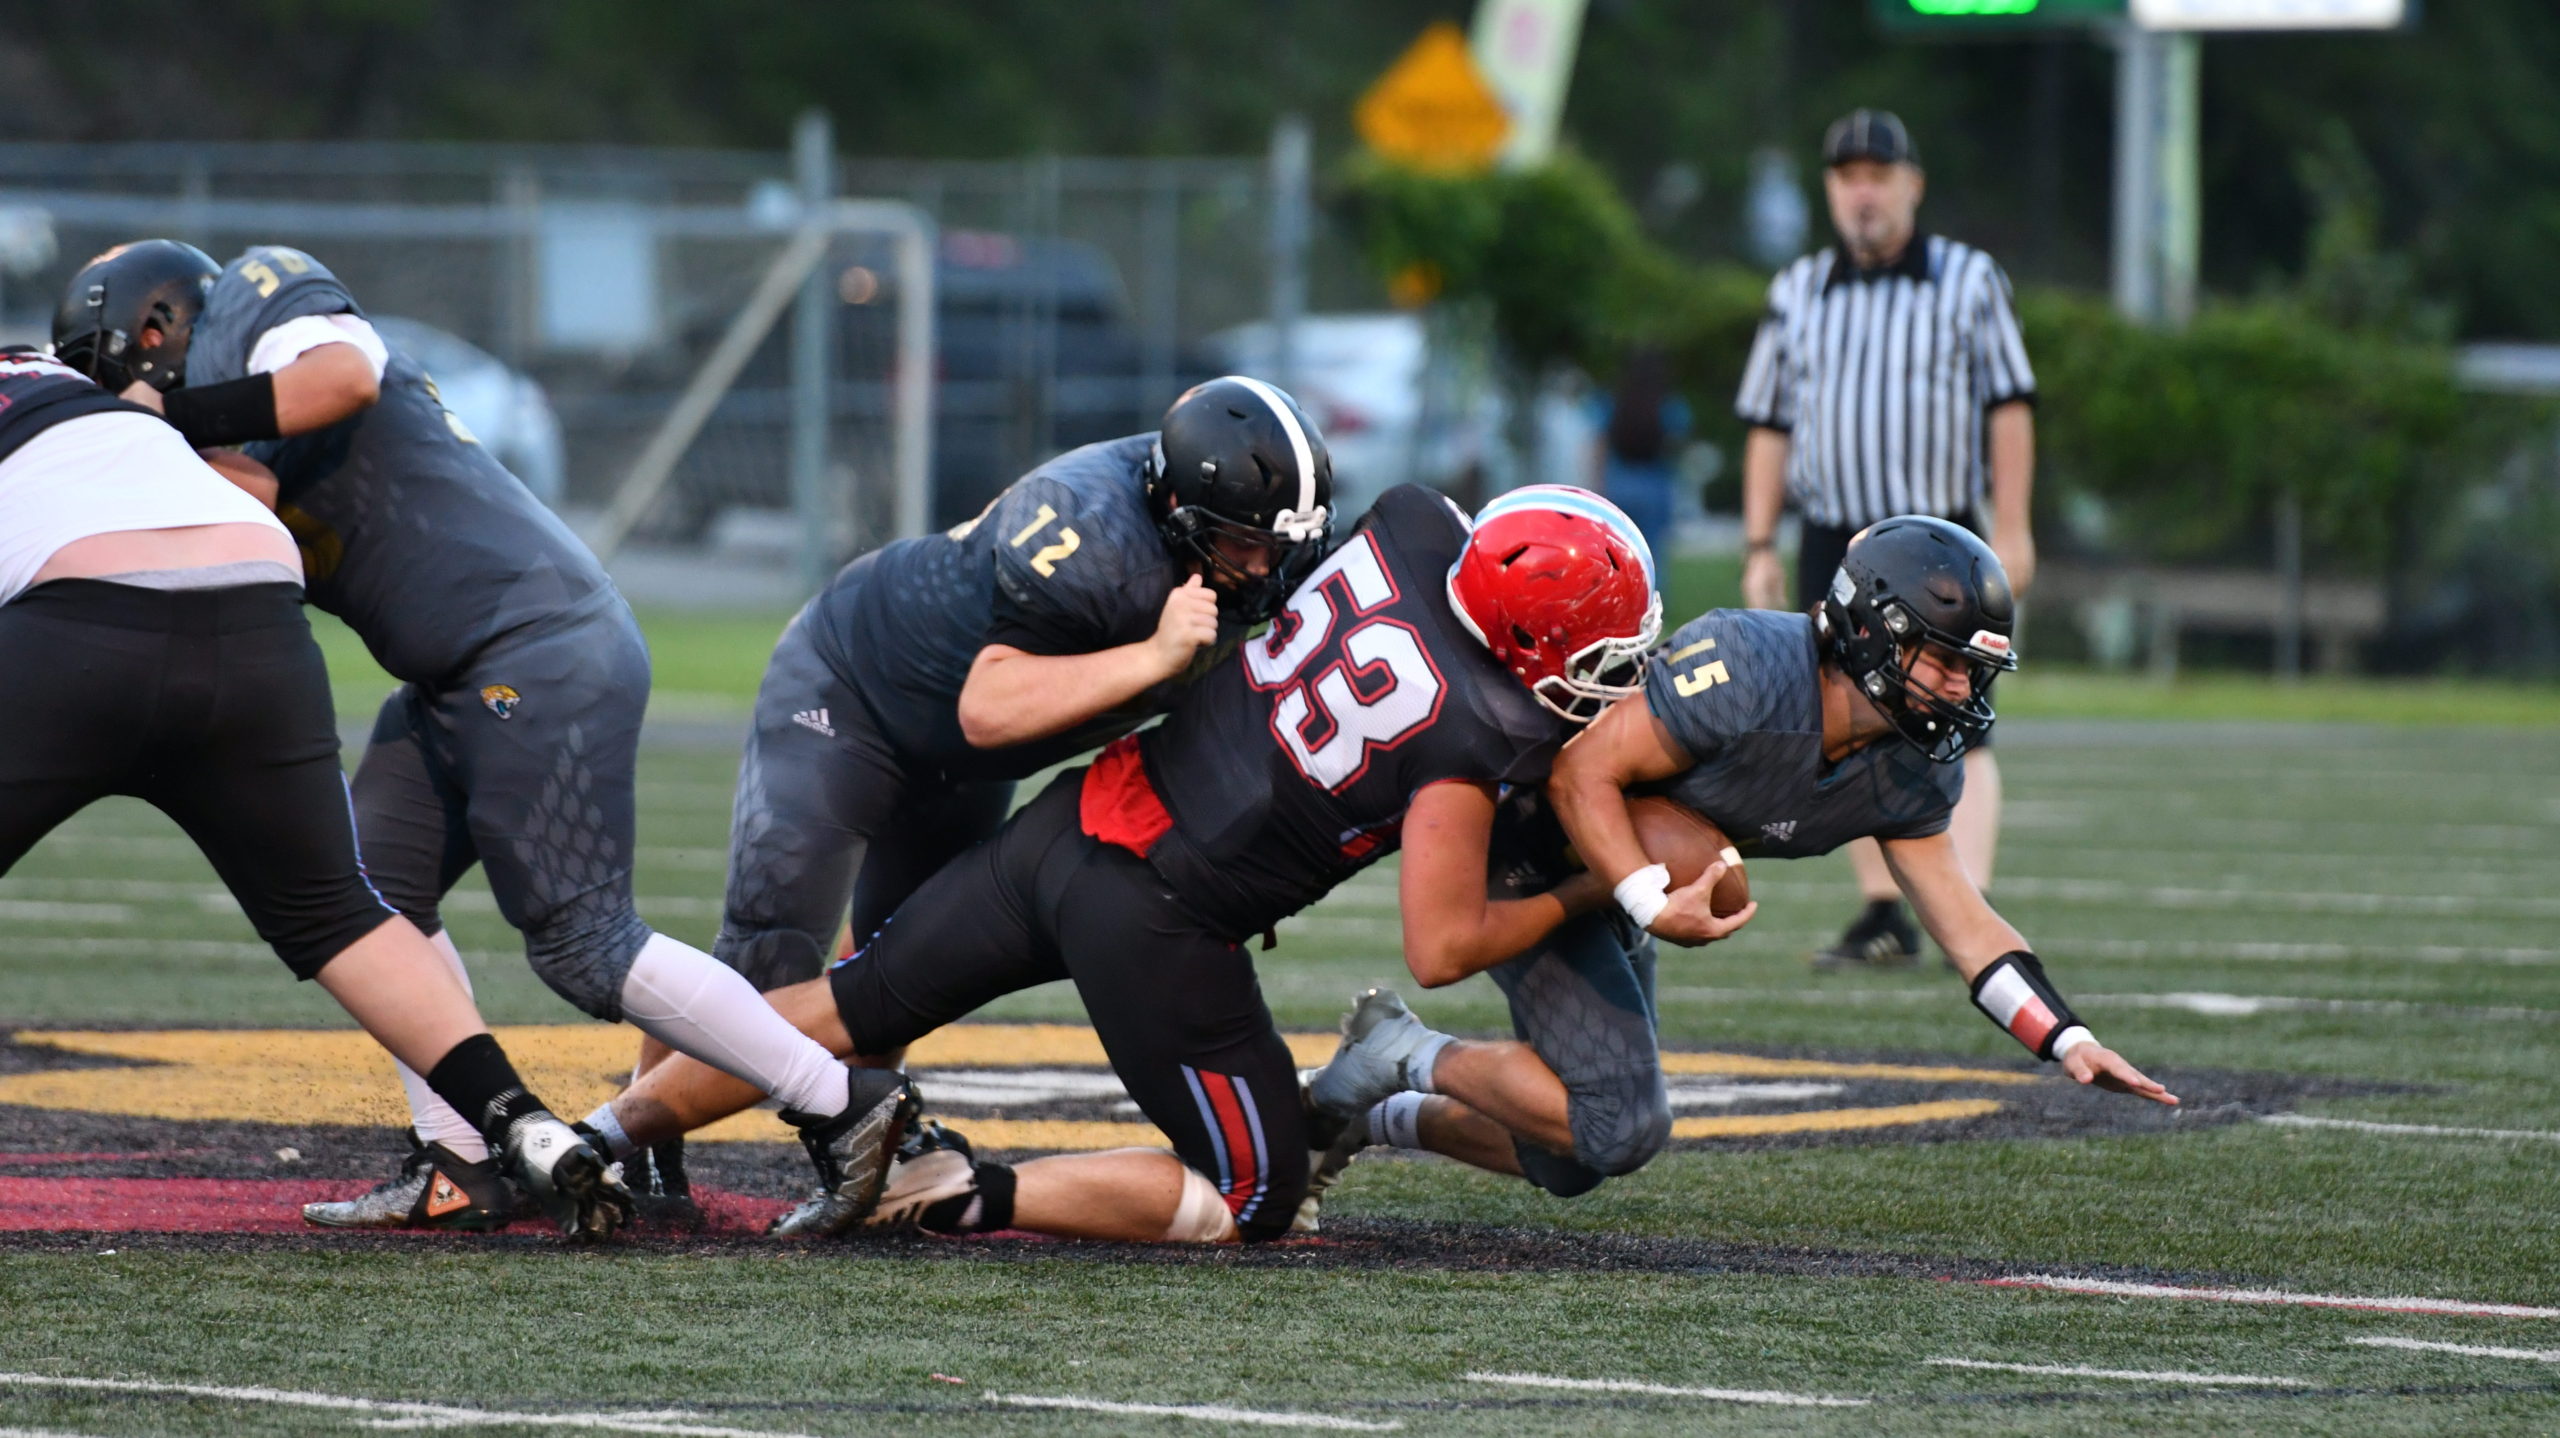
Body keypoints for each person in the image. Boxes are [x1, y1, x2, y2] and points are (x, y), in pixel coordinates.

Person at [54, 240, 904, 1233]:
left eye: (109, 370)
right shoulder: (214, 443)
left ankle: (844, 1104)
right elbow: (247, 511)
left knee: (584, 943)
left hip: (530, 645)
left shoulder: (256, 297)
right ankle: (458, 1159)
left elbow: (343, 376)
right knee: (365, 897)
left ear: (154, 333)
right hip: (455, 673)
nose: (113, 395)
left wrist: (175, 419)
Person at [577, 483, 1662, 1243]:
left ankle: (589, 1133)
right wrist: (1593, 882)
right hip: (1159, 918)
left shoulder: (1416, 522)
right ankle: (960, 1191)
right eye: (1597, 655)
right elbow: (1441, 944)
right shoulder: (1476, 739)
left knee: (842, 1001)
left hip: (1076, 817)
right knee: (1253, 1190)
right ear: (1529, 644)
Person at [602, 375, 1336, 1208]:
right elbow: (988, 708)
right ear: (1174, 504)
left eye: (1283, 543)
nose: (1265, 566)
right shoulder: (1086, 525)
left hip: (967, 763)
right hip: (855, 691)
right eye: (1242, 543)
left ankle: (862, 1133)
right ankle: (626, 1129)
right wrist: (1153, 658)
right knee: (773, 947)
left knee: (891, 977)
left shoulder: (1246, 551)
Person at [1305, 519, 2174, 1213]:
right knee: (1620, 1126)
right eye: (1944, 662)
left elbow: (1963, 918)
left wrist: (2067, 1037)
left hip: (1621, 874)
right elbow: (1581, 773)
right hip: (1539, 844)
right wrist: (1646, 900)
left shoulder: (1909, 765)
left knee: (1569, 1159)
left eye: (1972, 670)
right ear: (1873, 635)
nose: (1959, 691)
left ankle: (1374, 1115)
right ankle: (1398, 1048)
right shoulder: (1752, 669)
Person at [0, 344, 627, 1239]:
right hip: (257, 607)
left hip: (82, 621)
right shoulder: (61, 387)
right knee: (341, 914)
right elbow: (243, 490)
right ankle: (517, 1120)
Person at [1733, 108, 2039, 970]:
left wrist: (2011, 525)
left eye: (1878, 175)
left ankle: (1962, 910)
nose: (1863, 192)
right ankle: (1882, 910)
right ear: (1831, 190)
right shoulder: (1798, 291)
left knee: (1960, 719)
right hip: (1838, 536)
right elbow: (1768, 422)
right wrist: (1761, 540)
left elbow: (2009, 405)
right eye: (1847, 177)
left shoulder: (1969, 280)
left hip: (1943, 539)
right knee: (1849, 722)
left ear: (1913, 184)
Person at [1585, 345, 1690, 561]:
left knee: (1613, 554)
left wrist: (1597, 484)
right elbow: (1678, 442)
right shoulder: (1667, 404)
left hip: (1618, 481)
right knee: (1651, 555)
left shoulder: (1611, 401)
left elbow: (1599, 445)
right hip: (1654, 483)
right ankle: (1651, 593)